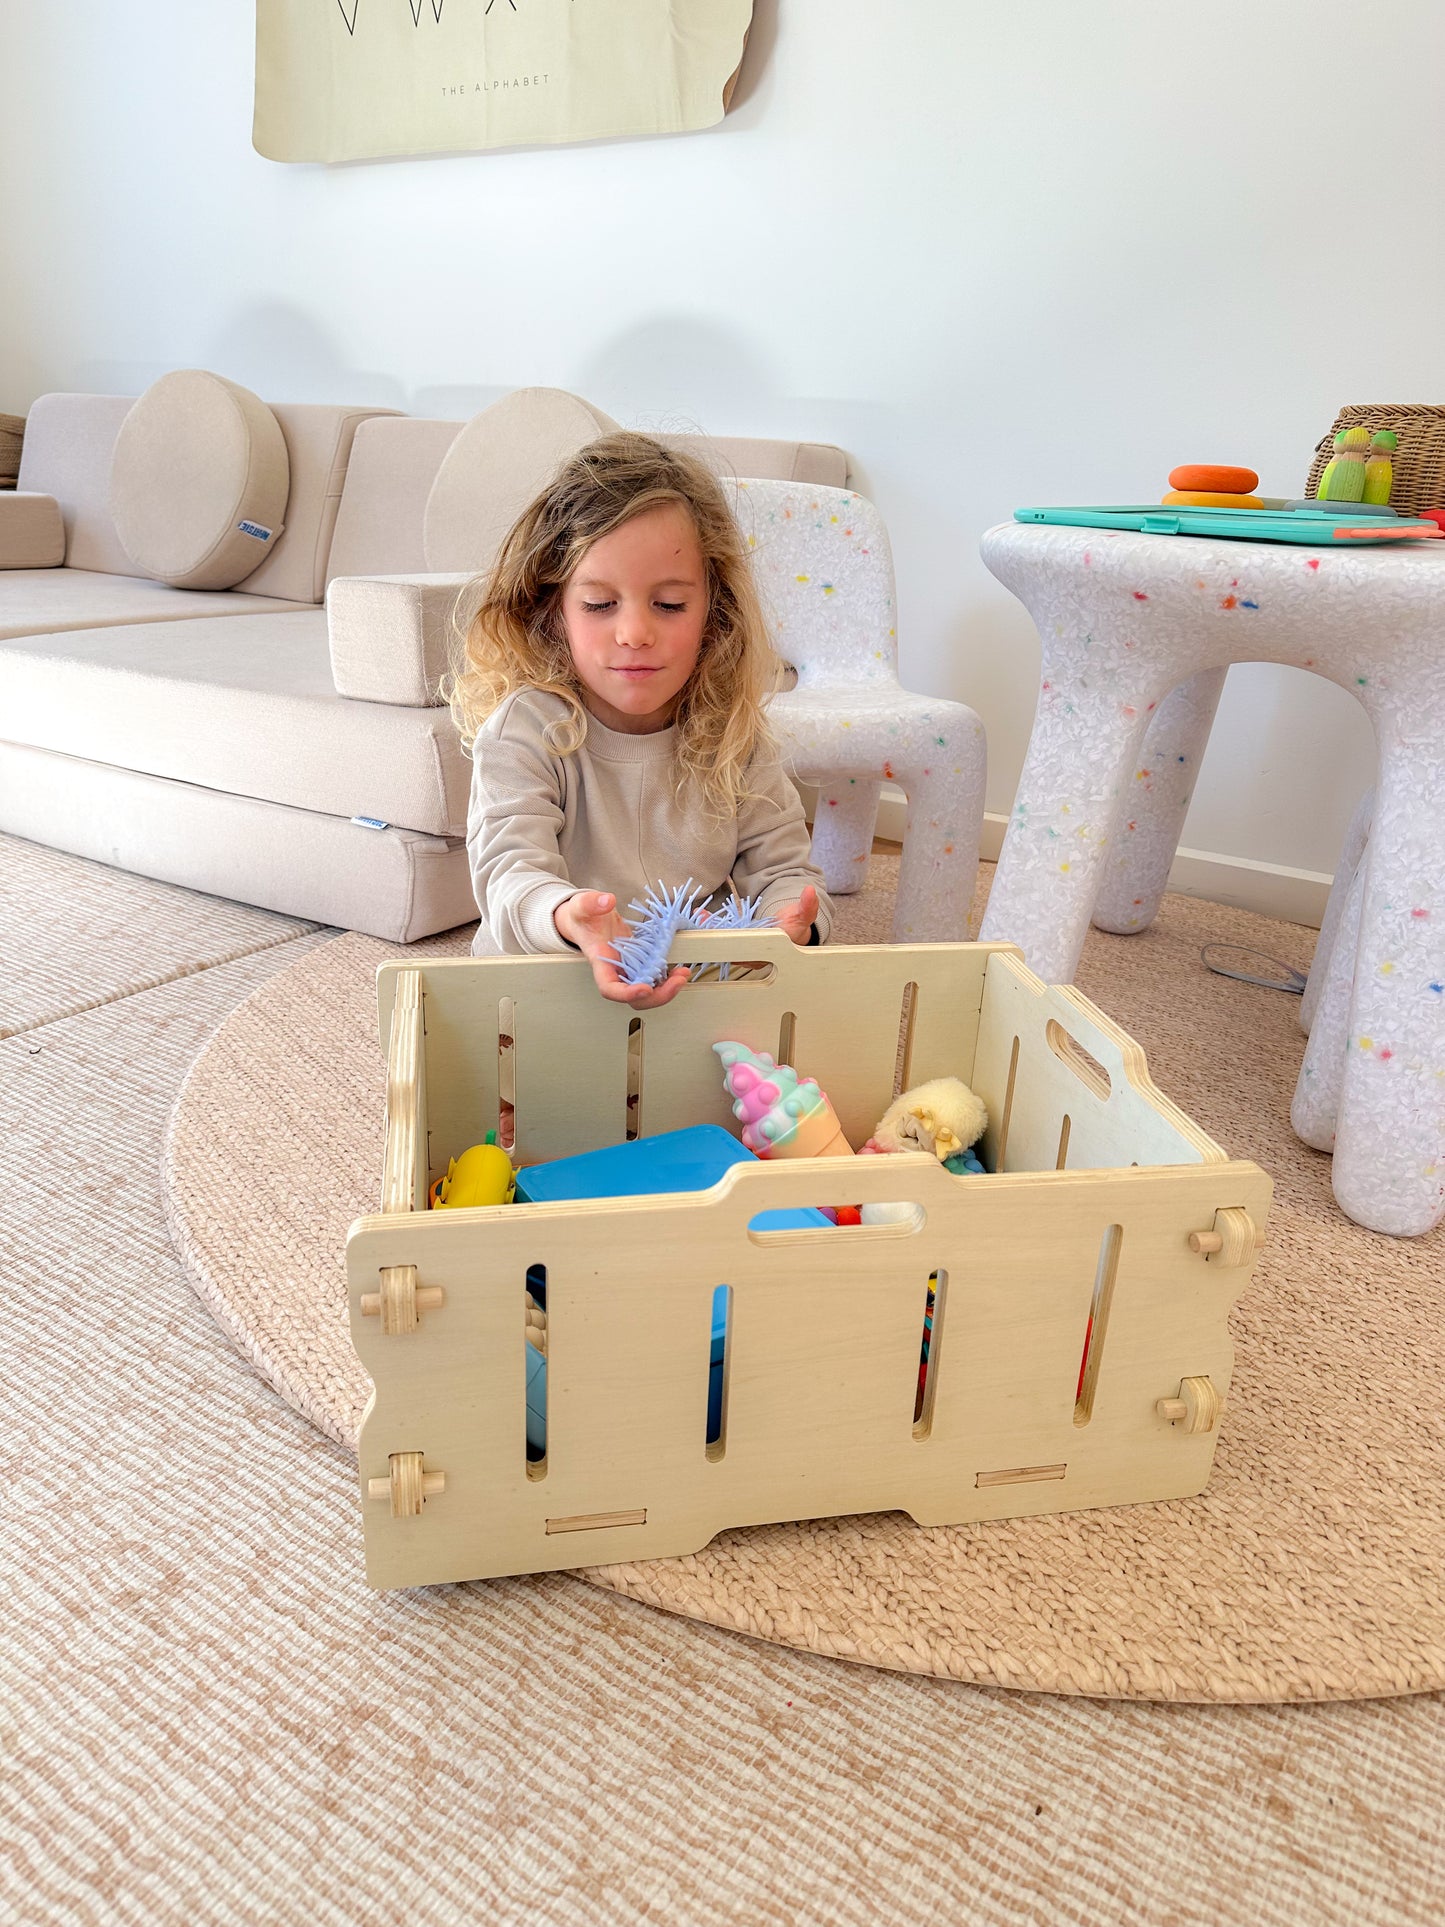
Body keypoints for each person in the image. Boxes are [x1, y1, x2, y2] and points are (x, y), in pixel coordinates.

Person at [447, 432, 832, 1009]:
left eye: (670, 604)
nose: (633, 633)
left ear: (714, 611)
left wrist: (789, 920)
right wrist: (566, 916)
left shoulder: (733, 736)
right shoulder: (525, 731)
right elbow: (510, 875)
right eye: (600, 605)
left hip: (685, 996)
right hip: (546, 995)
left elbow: (786, 873)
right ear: (554, 611)